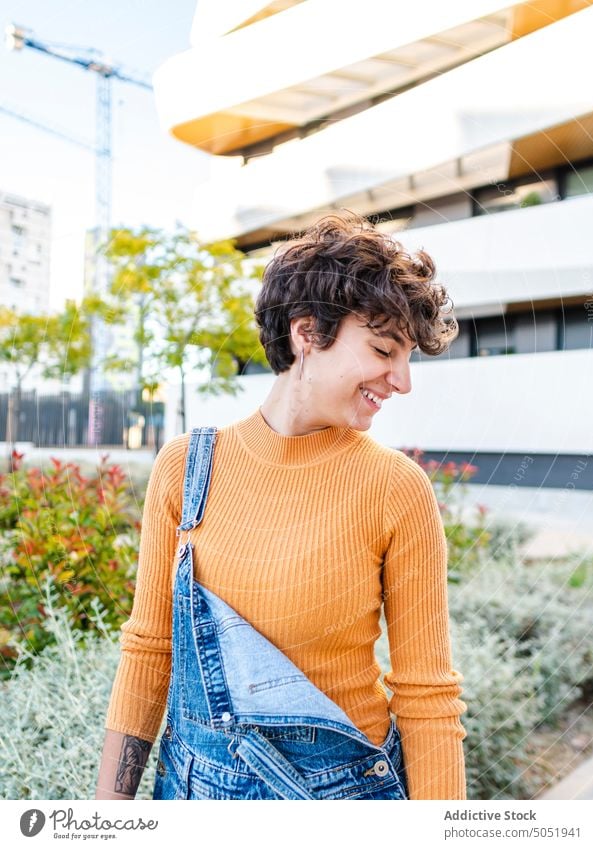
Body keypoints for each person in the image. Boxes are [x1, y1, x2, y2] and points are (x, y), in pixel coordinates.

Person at [96, 212, 467, 801]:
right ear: (306, 333)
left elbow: (427, 697)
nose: (402, 380)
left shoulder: (397, 489)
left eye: (407, 358)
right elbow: (150, 650)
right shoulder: (186, 470)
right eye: (382, 349)